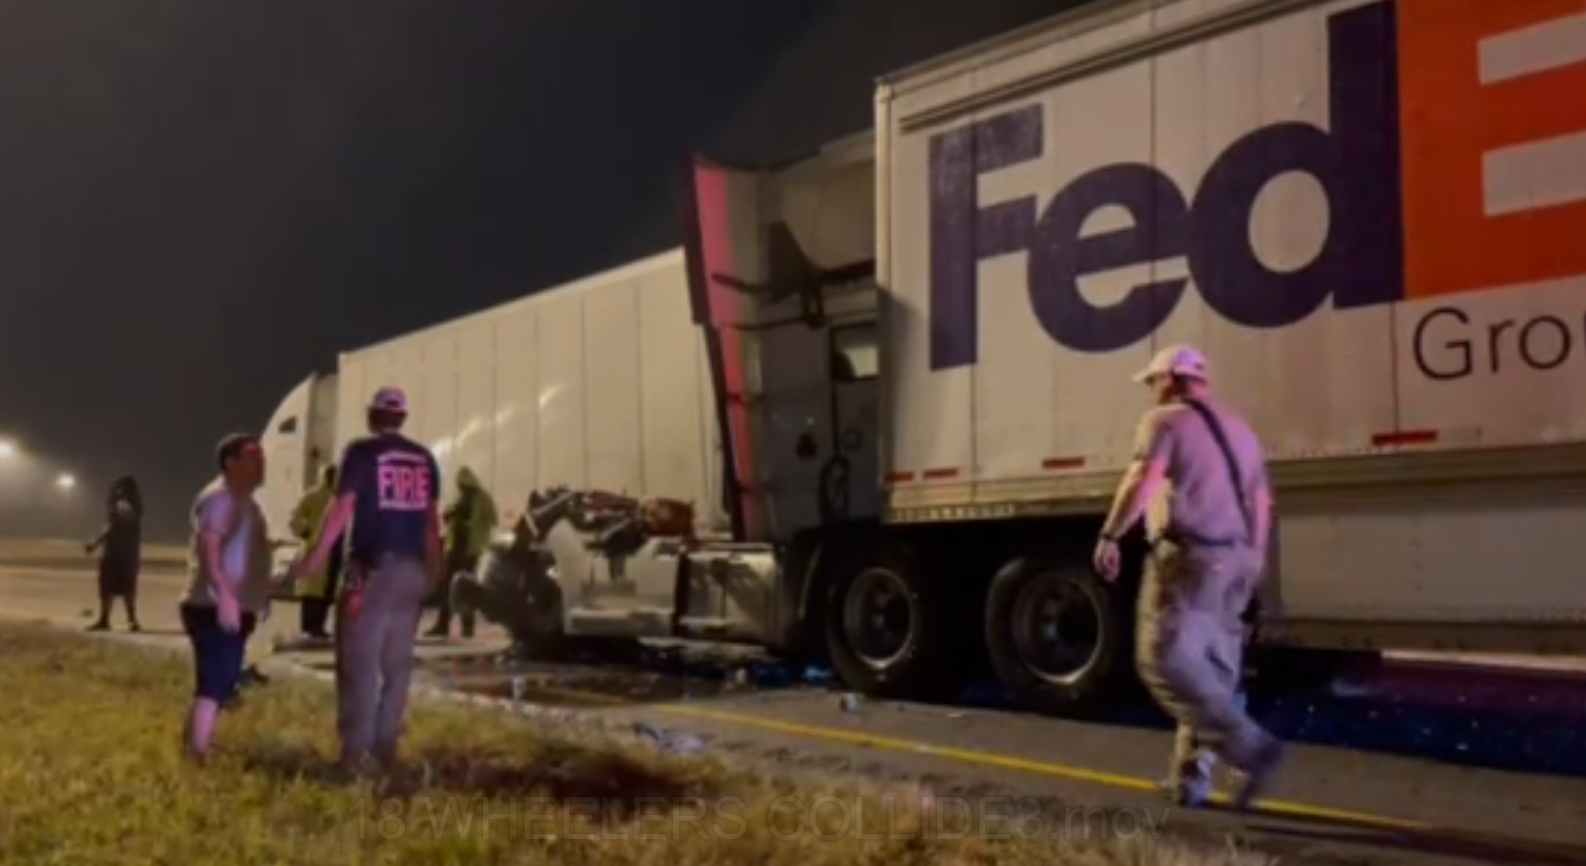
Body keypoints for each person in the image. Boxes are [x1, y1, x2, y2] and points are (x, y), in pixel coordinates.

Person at [1091, 344, 1284, 811]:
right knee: (1212, 671)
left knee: (1164, 662)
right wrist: (1254, 560)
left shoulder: (1165, 421)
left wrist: (1111, 534)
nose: (1151, 394)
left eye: (1152, 384)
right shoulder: (1241, 428)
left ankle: (1250, 747)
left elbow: (1144, 477)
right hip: (1237, 559)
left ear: (1170, 379)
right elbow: (1261, 501)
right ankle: (1190, 781)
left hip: (1188, 558)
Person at [294, 386, 441, 776]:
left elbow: (342, 509)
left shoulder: (360, 453)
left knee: (358, 663)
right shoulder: (424, 458)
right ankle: (386, 748)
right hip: (410, 571)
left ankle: (354, 755)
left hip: (370, 573)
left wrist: (315, 559)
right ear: (403, 418)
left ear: (372, 415)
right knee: (397, 666)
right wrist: (434, 572)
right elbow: (431, 523)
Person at [177, 434, 271, 762]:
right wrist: (227, 597)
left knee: (220, 680)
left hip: (232, 604)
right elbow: (211, 550)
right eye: (252, 457)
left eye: (261, 456)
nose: (261, 463)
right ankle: (197, 755)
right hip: (212, 605)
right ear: (231, 464)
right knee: (215, 682)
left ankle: (195, 743)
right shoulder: (219, 499)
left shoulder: (246, 502)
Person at [425, 465, 497, 639]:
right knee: (452, 589)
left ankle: (461, 625)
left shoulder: (480, 498)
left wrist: (472, 524)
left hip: (468, 550)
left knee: (461, 589)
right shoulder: (464, 498)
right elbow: (449, 515)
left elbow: (491, 519)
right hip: (458, 548)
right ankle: (448, 624)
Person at [85, 475, 144, 632]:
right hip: (126, 553)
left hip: (119, 553)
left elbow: (112, 526)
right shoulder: (134, 506)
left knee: (114, 588)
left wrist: (96, 543)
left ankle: (115, 620)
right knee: (122, 588)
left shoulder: (124, 505)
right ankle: (127, 620)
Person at [291, 464, 343, 641]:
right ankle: (309, 627)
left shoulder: (342, 497)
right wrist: (305, 532)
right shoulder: (313, 496)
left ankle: (318, 627)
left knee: (328, 590)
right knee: (312, 592)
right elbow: (295, 518)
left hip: (336, 548)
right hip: (316, 548)